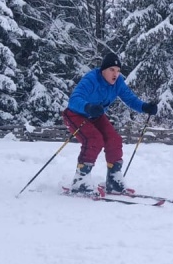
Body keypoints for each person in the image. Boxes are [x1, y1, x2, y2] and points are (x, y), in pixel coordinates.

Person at [62, 52, 158, 194]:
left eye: (118, 70)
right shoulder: (91, 79)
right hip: (76, 114)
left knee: (114, 140)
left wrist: (145, 107)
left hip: (96, 115)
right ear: (103, 70)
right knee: (94, 139)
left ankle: (113, 178)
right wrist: (88, 107)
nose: (115, 74)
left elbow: (130, 99)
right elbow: (74, 100)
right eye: (112, 70)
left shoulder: (118, 82)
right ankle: (80, 180)